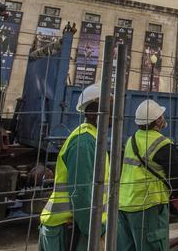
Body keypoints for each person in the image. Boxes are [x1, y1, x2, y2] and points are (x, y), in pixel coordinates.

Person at [39, 85, 109, 251]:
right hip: (68, 230)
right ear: (92, 112)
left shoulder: (91, 138)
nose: (113, 114)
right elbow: (81, 193)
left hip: (72, 226)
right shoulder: (84, 142)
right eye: (109, 108)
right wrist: (96, 231)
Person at [118, 100, 178, 251]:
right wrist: (174, 198)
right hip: (148, 205)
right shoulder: (163, 144)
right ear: (158, 121)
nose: (164, 118)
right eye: (162, 116)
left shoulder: (132, 140)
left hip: (124, 203)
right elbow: (177, 181)